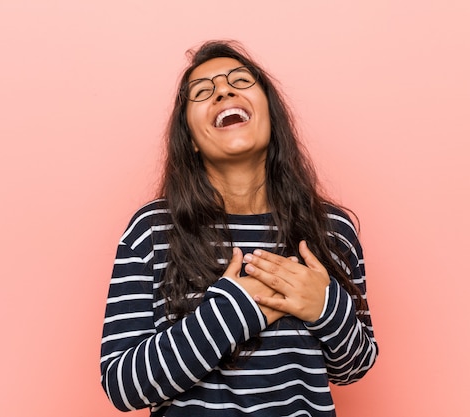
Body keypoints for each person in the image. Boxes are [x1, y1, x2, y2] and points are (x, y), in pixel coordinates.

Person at [100, 40, 378, 416]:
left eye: (240, 81)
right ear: (192, 140)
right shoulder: (152, 232)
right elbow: (123, 386)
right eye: (202, 92)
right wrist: (236, 309)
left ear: (270, 114)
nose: (223, 90)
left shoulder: (332, 230)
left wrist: (324, 306)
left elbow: (353, 367)